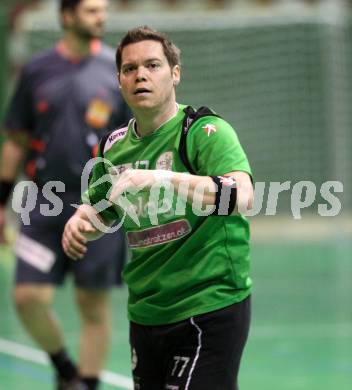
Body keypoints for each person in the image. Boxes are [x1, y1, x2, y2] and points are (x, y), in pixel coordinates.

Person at [62, 26, 254, 390]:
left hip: (209, 304)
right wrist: (79, 220)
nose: (141, 76)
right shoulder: (113, 148)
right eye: (130, 69)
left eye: (152, 65)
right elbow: (102, 210)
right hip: (147, 311)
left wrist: (160, 179)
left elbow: (241, 197)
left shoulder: (202, 131)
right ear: (119, 80)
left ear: (175, 73)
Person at [0, 0, 130, 389]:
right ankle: (65, 370)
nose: (101, 17)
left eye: (103, 10)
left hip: (100, 204)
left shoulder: (116, 70)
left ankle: (85, 384)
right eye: (91, 10)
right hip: (43, 203)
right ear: (67, 16)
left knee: (92, 305)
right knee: (27, 297)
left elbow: (133, 142)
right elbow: (15, 141)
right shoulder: (36, 71)